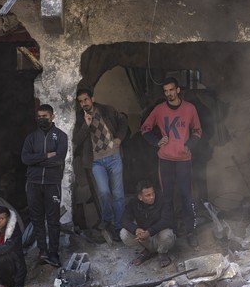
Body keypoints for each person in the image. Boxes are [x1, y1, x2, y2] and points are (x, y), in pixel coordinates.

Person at [141, 77, 202, 247]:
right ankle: (170, 231)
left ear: (178, 90)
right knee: (166, 197)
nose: (168, 93)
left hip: (184, 160)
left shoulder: (190, 108)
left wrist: (188, 145)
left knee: (186, 196)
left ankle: (190, 231)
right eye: (166, 91)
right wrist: (156, 141)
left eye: (171, 90)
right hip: (165, 160)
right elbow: (145, 129)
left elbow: (197, 131)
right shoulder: (159, 110)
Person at [73, 88, 128, 243]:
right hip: (96, 161)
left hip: (114, 157)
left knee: (118, 194)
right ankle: (108, 219)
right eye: (81, 101)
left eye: (86, 99)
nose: (84, 103)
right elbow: (76, 140)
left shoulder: (107, 110)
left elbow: (123, 121)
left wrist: (119, 138)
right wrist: (86, 124)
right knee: (103, 191)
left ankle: (119, 226)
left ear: (92, 99)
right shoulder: (79, 118)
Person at [21, 104, 68, 267]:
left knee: (53, 220)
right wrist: (46, 155)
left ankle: (54, 253)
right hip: (33, 183)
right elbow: (25, 159)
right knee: (37, 219)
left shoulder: (61, 136)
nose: (42, 119)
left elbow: (59, 159)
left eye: (45, 116)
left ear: (52, 116)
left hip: (52, 183)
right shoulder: (31, 137)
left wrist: (37, 160)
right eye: (39, 116)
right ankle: (43, 252)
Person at [120, 180, 176, 268]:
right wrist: (136, 230)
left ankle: (163, 253)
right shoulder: (134, 203)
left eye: (153, 193)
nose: (152, 197)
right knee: (124, 233)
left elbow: (167, 220)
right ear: (140, 197)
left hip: (159, 237)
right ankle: (145, 252)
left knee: (167, 234)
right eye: (148, 195)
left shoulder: (163, 199)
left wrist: (149, 232)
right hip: (145, 239)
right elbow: (124, 220)